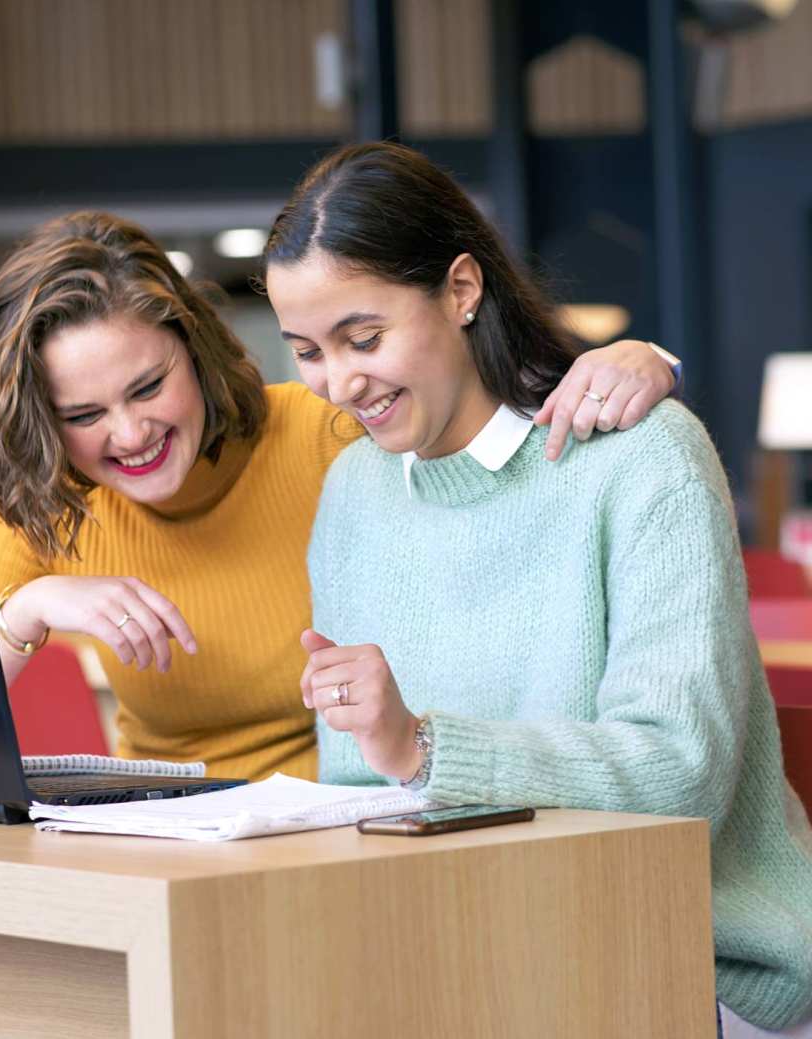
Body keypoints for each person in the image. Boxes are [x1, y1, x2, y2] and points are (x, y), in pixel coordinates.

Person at [263, 141, 812, 1034]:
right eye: (307, 351)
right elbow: (366, 793)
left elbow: (680, 776)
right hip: (472, 956)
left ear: (462, 290)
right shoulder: (354, 495)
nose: (339, 381)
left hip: (694, 964)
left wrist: (426, 748)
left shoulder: (643, 459)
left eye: (363, 338)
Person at [0, 210, 677, 784]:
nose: (131, 431)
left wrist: (645, 359)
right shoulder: (45, 503)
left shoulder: (328, 434)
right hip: (166, 841)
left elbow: (504, 440)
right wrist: (29, 608)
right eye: (83, 416)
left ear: (197, 349)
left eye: (148, 387)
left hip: (353, 825)